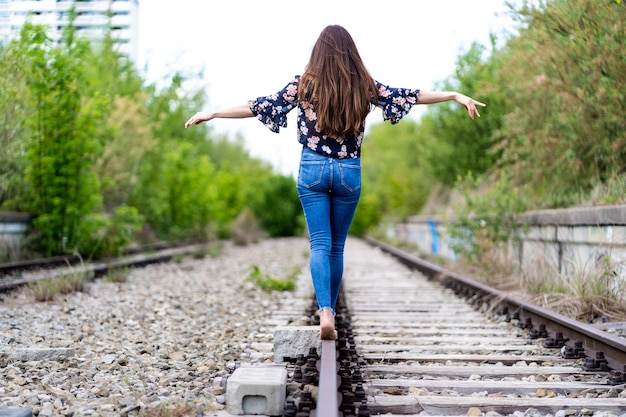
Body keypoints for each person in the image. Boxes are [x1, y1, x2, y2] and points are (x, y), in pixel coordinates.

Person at [185, 24, 485, 340]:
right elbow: (410, 95)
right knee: (336, 247)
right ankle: (330, 313)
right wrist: (453, 95)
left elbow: (259, 105)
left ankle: (325, 311)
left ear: (318, 53)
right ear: (351, 53)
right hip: (348, 171)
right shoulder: (365, 86)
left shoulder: (303, 86)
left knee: (319, 243)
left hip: (312, 168)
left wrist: (214, 113)